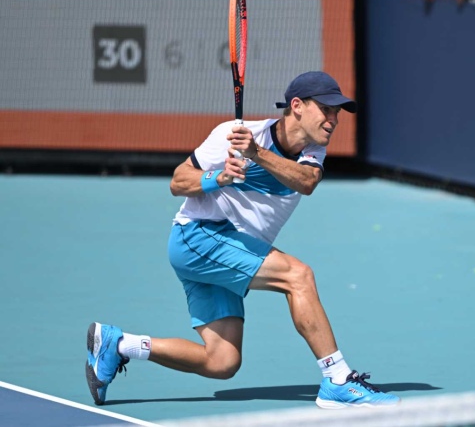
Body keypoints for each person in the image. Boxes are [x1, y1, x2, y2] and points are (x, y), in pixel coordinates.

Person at [85, 71, 400, 409]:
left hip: (227, 250)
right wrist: (217, 177)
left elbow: (306, 182)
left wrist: (256, 155)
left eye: (337, 112)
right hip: (200, 236)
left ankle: (118, 344)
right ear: (297, 106)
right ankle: (337, 379)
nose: (334, 119)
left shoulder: (312, 150)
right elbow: (178, 181)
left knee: (221, 362)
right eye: (326, 109)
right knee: (298, 276)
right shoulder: (231, 134)